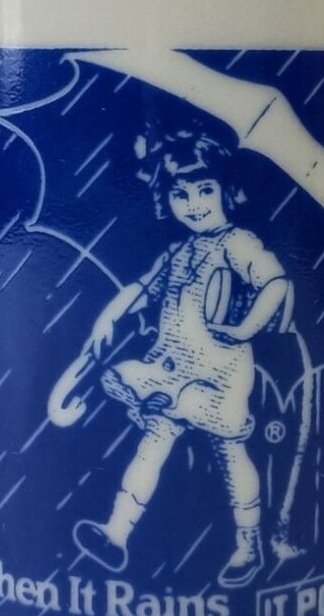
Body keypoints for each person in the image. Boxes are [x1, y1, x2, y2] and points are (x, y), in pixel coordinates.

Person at [72, 127, 299, 588]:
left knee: (231, 453)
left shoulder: (237, 243)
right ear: (167, 198)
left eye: (205, 190)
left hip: (219, 372)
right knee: (153, 441)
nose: (194, 203)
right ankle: (116, 532)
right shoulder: (181, 251)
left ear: (226, 191)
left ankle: (248, 545)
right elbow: (143, 289)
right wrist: (108, 317)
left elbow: (275, 282)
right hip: (172, 367)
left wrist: (245, 328)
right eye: (180, 194)